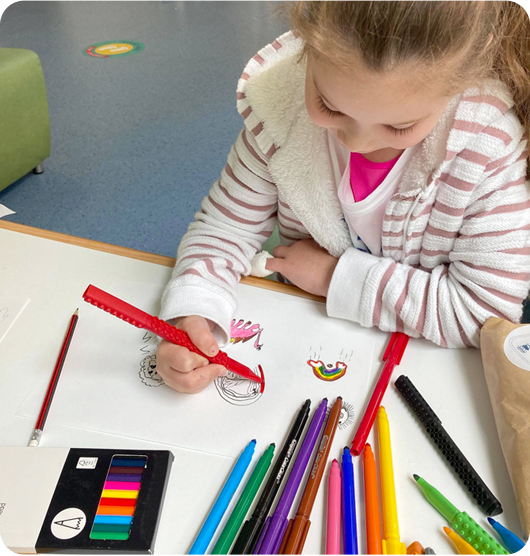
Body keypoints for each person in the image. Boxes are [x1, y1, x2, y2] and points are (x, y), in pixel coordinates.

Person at [157, 1, 530, 393]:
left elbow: (484, 314)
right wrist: (194, 309)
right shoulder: (277, 105)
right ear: (305, 39)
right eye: (329, 106)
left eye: (399, 125)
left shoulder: (487, 144)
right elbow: (224, 228)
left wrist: (337, 278)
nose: (358, 141)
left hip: (420, 378)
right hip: (303, 345)